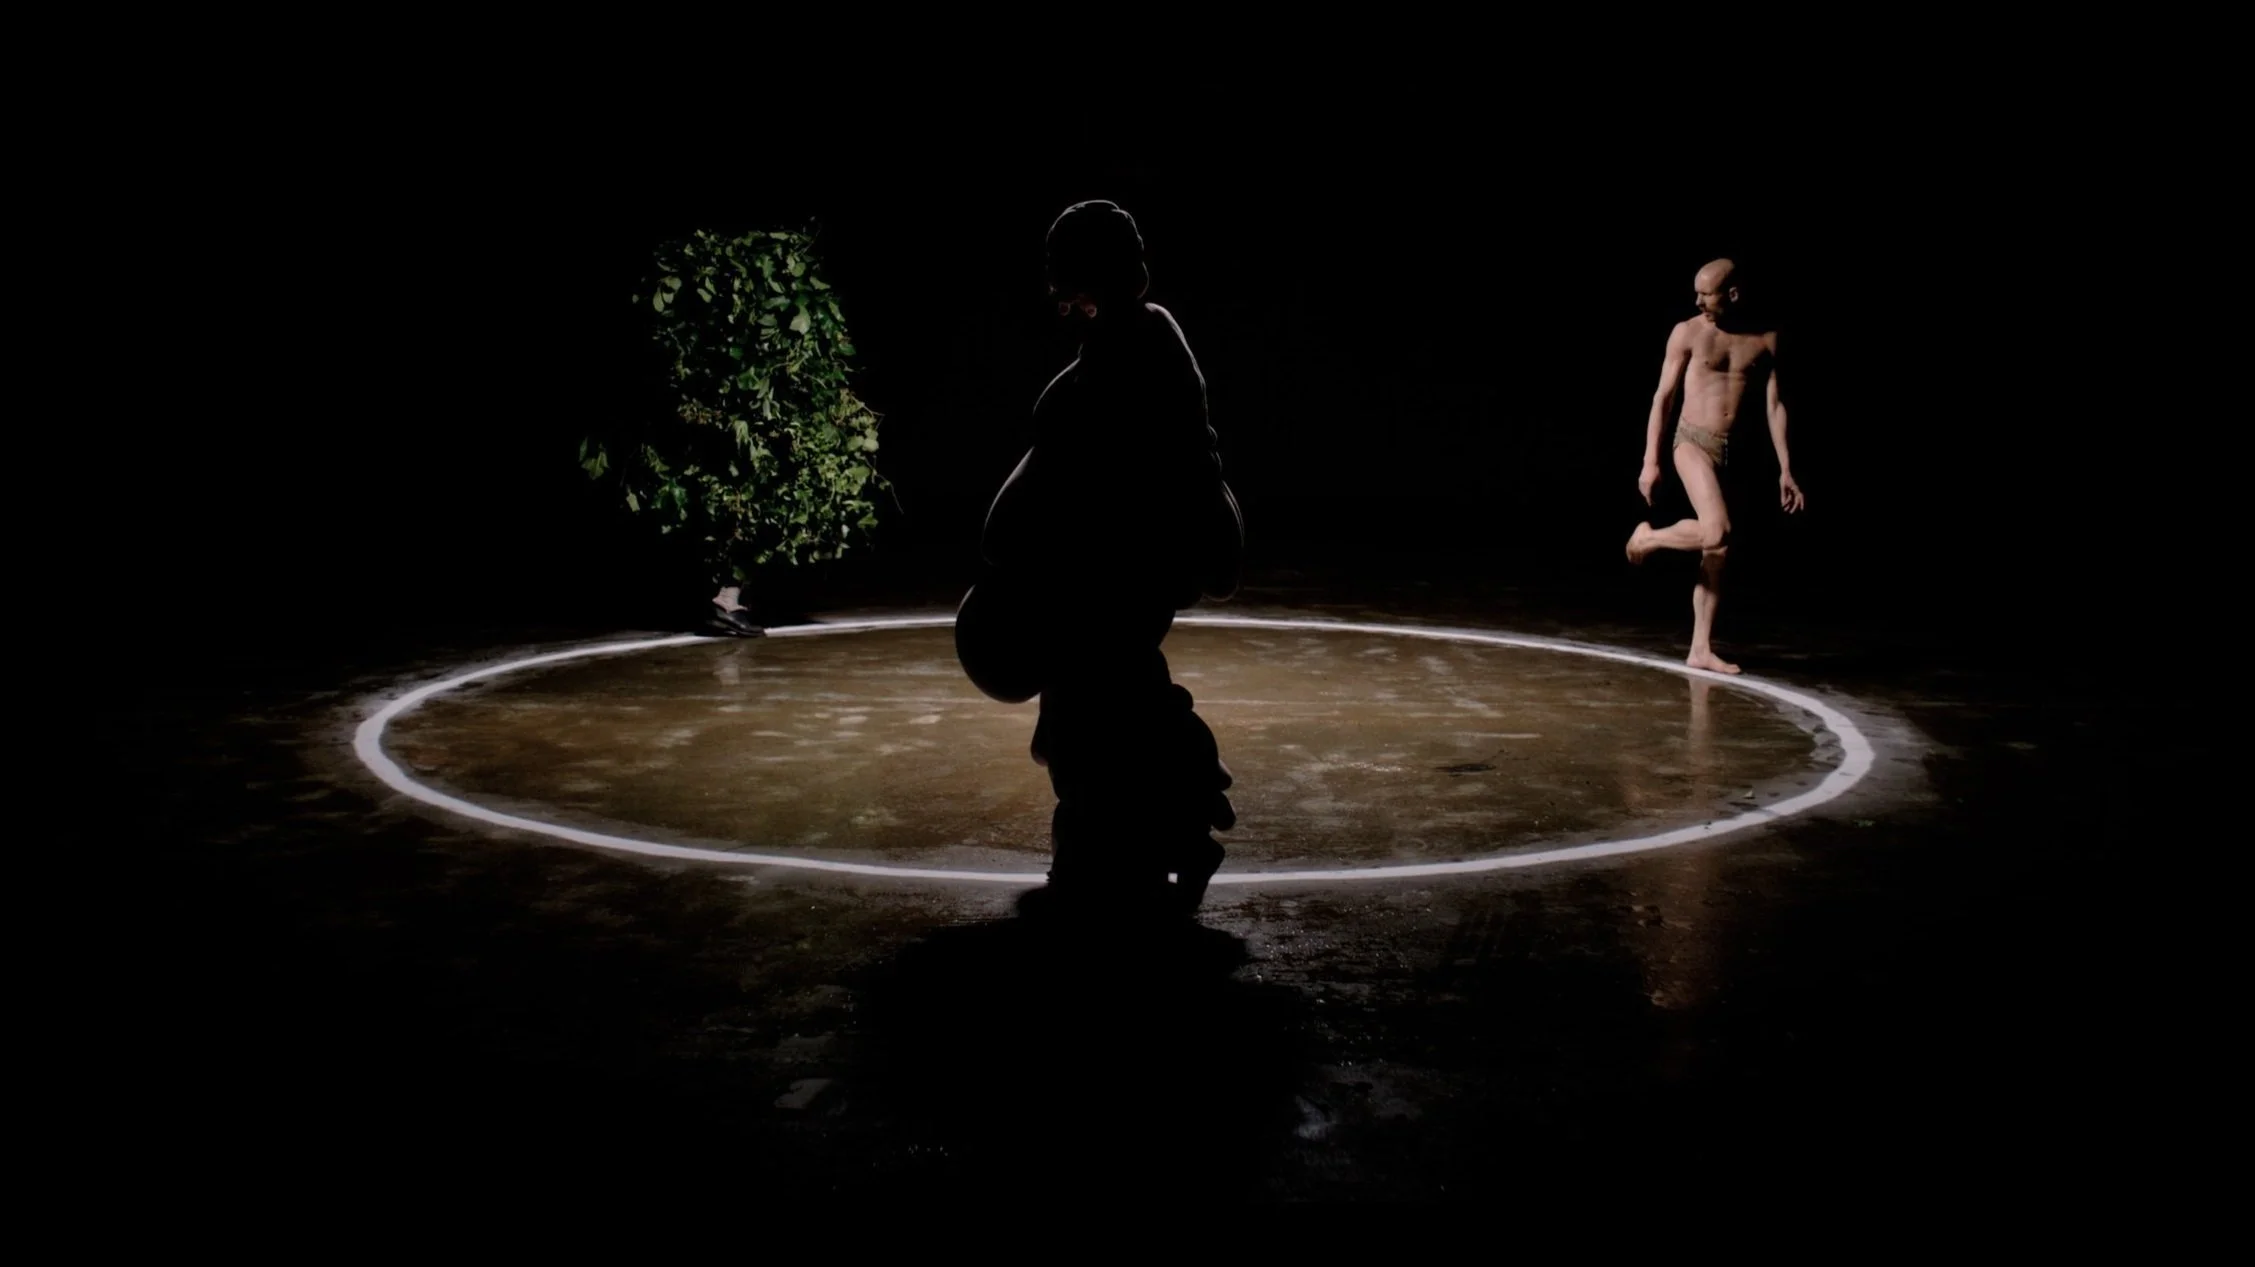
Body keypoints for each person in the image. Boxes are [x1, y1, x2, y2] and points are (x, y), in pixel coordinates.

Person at [955, 200, 1244, 914]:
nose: (1064, 303)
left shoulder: (1135, 350)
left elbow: (1105, 471)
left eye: (1070, 286)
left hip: (1147, 553)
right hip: (1132, 555)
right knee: (1098, 692)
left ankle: (1163, 826)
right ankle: (1160, 829)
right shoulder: (1121, 342)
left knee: (1097, 693)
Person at [1625, 259, 1806, 673]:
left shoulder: (1766, 340)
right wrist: (1650, 460)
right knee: (1717, 530)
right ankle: (1646, 538)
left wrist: (1786, 469)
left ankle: (1700, 648)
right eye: (1697, 293)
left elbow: (1775, 405)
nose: (1697, 301)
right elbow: (1663, 398)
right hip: (1691, 442)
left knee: (1717, 551)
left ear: (1733, 294)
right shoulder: (1687, 333)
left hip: (1732, 451)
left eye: (1706, 295)